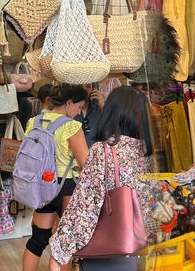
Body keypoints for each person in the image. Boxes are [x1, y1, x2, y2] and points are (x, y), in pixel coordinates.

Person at [49, 86, 153, 271]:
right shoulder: (147, 153)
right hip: (144, 250)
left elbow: (84, 209)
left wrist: (59, 251)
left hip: (109, 252)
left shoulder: (103, 151)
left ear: (110, 113)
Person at [23, 85, 89, 271]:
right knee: (65, 241)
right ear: (68, 103)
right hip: (65, 188)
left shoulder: (34, 121)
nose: (78, 112)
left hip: (42, 185)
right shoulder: (71, 127)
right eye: (79, 107)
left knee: (38, 238)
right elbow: (86, 163)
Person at [80, 83, 105, 148]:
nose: (84, 90)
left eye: (88, 87)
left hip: (95, 154)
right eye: (79, 86)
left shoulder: (98, 107)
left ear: (93, 89)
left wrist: (103, 107)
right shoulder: (70, 109)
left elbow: (112, 129)